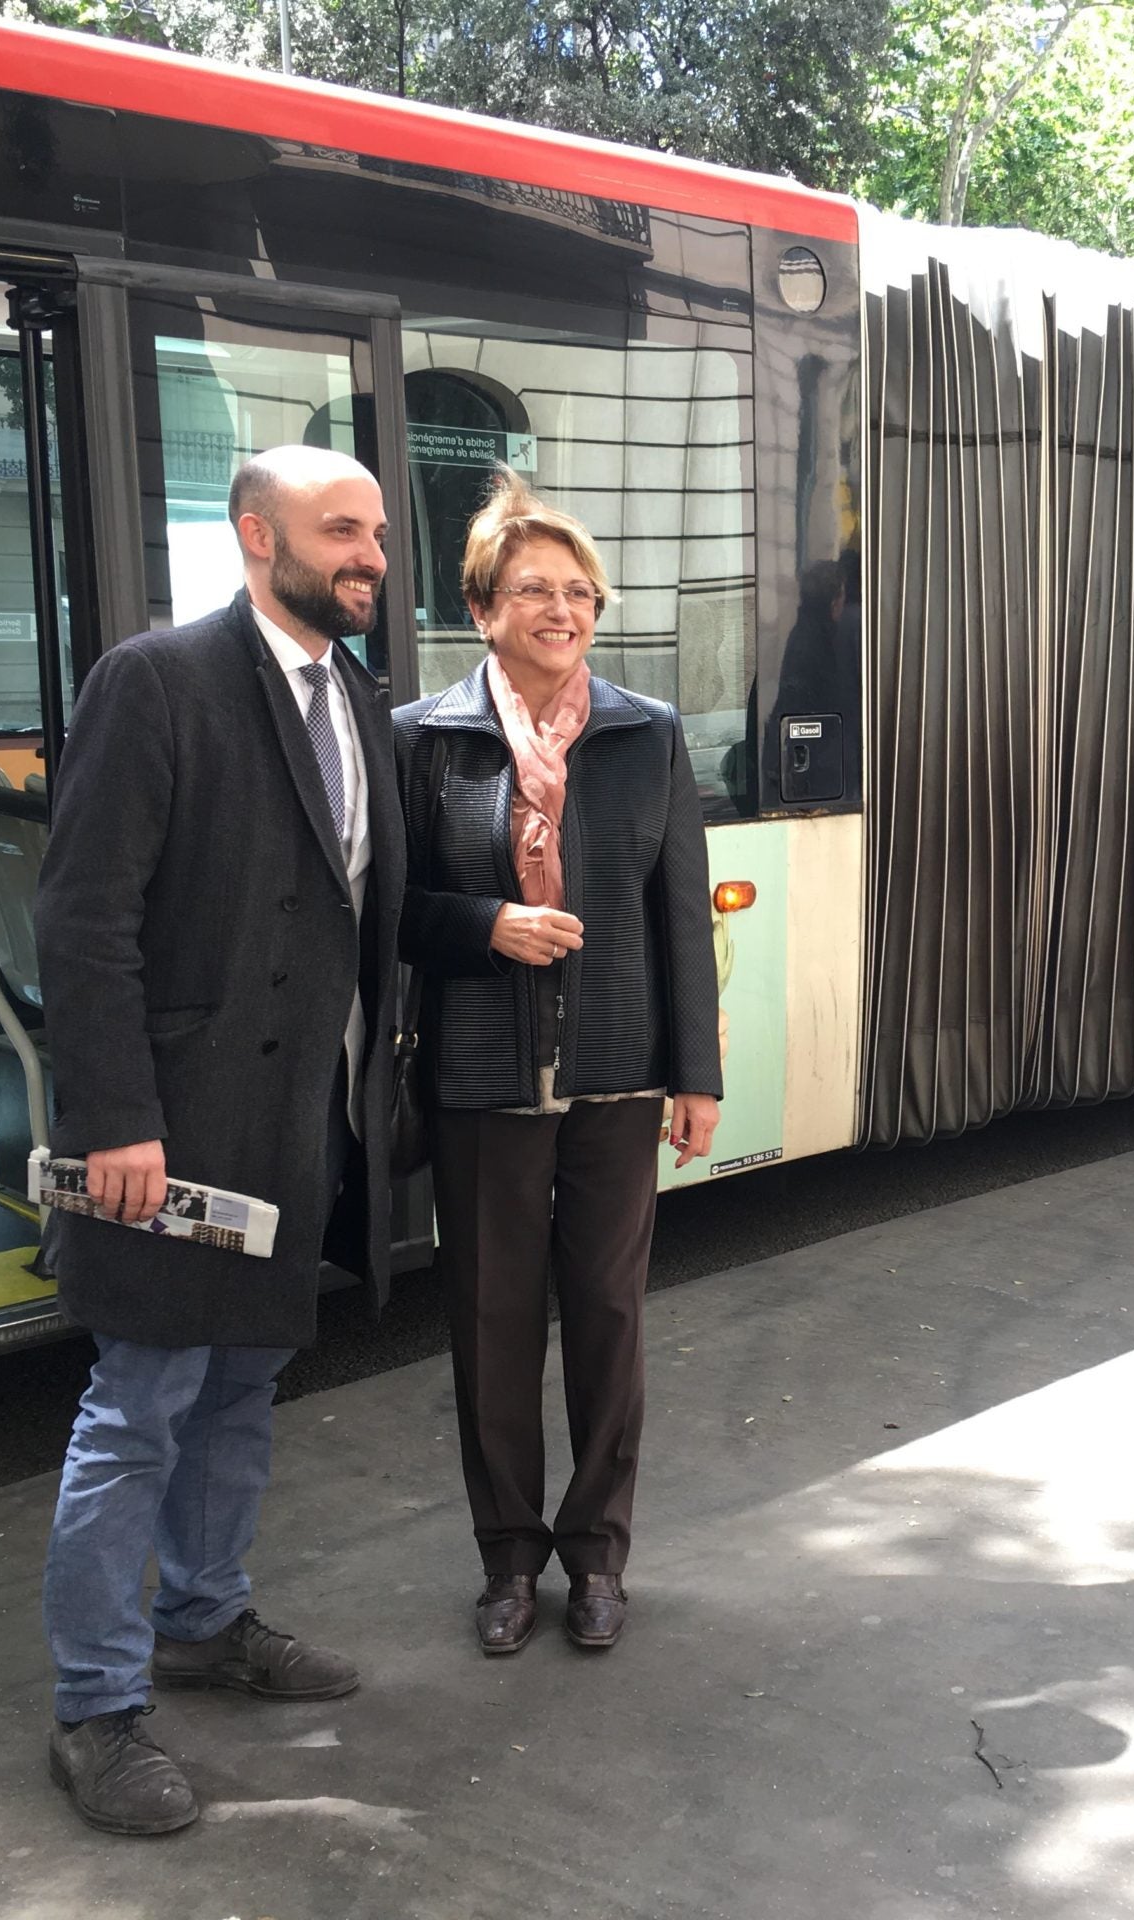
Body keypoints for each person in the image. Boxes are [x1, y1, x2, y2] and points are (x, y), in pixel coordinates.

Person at [34, 445, 406, 1835]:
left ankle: (202, 1620)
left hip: (294, 1131)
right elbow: (83, 922)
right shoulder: (158, 682)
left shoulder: (355, 696)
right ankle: (96, 1710)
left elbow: (355, 910)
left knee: (240, 1397)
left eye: (375, 532)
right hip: (174, 1136)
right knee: (136, 1414)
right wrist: (115, 1116)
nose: (370, 555)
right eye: (341, 531)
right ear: (259, 534)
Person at [396, 472, 721, 1659]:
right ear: (483, 607)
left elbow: (681, 912)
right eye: (536, 589)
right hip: (482, 1074)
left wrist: (698, 1076)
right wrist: (484, 925)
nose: (564, 609)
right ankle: (505, 1560)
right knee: (488, 1324)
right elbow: (389, 911)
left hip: (618, 1070)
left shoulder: (647, 734)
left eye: (580, 591)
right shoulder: (424, 741)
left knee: (606, 1318)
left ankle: (595, 1556)